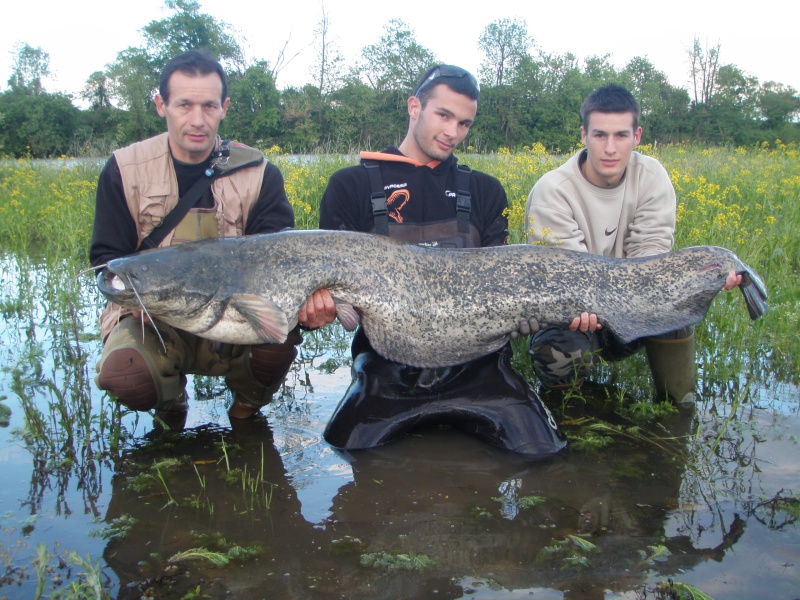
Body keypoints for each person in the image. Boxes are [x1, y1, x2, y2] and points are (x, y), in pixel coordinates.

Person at [302, 65, 566, 459]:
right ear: (414, 107)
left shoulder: (485, 191)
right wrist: (316, 307)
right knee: (345, 448)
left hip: (481, 369)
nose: (452, 132)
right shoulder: (350, 186)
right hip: (386, 372)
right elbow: (330, 295)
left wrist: (527, 316)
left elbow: (508, 285)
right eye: (443, 116)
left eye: (464, 124)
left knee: (544, 453)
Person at [90, 50, 306, 425]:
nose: (197, 120)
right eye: (184, 105)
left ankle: (245, 413)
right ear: (161, 105)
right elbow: (106, 258)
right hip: (152, 317)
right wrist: (147, 301)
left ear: (224, 107)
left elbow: (277, 259)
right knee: (125, 373)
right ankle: (171, 407)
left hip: (234, 313)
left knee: (282, 335)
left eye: (208, 106)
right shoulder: (123, 168)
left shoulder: (259, 172)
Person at [524, 83, 740, 404]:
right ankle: (565, 410)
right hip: (575, 316)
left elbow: (650, 261)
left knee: (678, 305)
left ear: (636, 136)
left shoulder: (652, 176)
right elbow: (568, 279)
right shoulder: (552, 191)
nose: (610, 148)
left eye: (620, 135)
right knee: (557, 348)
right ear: (584, 135)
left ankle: (678, 407)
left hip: (632, 302)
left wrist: (696, 282)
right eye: (600, 135)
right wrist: (585, 303)